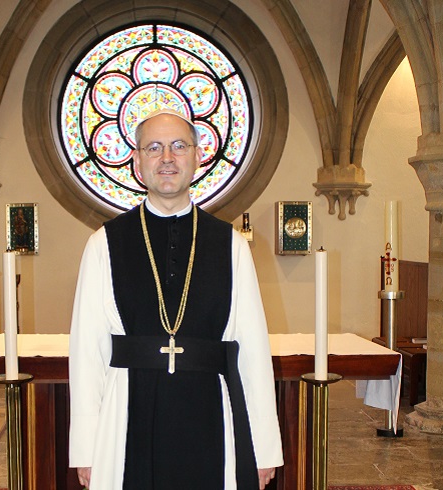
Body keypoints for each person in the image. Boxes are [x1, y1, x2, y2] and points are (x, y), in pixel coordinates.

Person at [68, 108, 283, 489]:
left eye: (178, 146)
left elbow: (252, 350)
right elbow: (88, 351)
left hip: (209, 410)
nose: (167, 158)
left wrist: (263, 449)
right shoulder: (105, 243)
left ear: (198, 157)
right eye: (154, 148)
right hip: (128, 412)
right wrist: (86, 448)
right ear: (137, 162)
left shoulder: (230, 245)